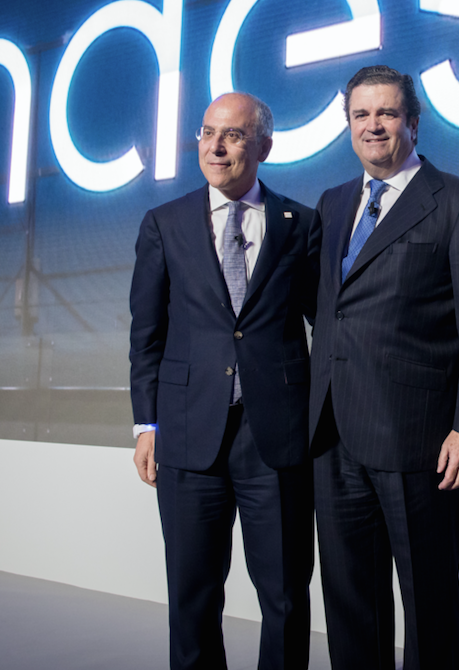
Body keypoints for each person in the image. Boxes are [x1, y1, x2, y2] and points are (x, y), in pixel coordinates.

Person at [309, 64, 459, 669]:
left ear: (413, 123)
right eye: (361, 115)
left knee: (429, 600)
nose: (373, 126)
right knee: (348, 602)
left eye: (386, 113)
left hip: (419, 440)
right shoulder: (333, 203)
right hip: (333, 435)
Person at [129, 92, 320, 670]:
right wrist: (145, 424)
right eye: (208, 132)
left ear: (263, 145)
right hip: (188, 433)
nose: (215, 146)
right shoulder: (164, 223)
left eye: (233, 135)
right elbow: (146, 333)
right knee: (193, 596)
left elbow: (328, 325)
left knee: (285, 596)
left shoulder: (300, 223)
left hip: (277, 438)